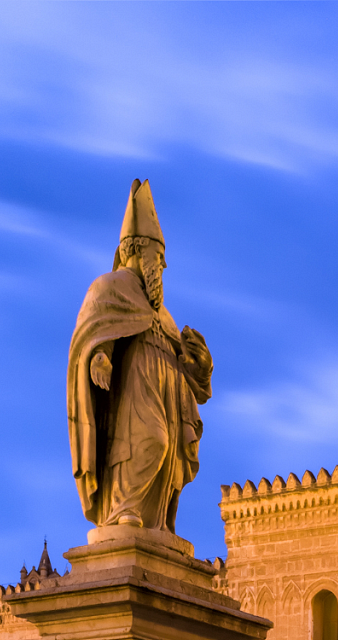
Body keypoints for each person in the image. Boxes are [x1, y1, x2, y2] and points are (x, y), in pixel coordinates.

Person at [68, 179, 213, 532]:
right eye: (157, 255)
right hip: (135, 386)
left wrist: (200, 366)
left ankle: (156, 520)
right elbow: (92, 333)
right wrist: (98, 356)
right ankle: (123, 507)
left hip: (168, 393)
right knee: (150, 439)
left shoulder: (164, 314)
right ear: (135, 249)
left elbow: (195, 381)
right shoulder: (109, 287)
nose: (162, 265)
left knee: (169, 450)